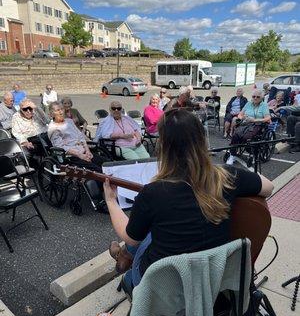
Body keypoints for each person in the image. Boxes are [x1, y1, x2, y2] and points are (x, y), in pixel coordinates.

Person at [104, 109, 274, 288]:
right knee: (153, 228)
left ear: (163, 148)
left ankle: (128, 275)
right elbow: (269, 187)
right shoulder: (226, 176)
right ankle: (124, 257)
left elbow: (131, 238)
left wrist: (111, 201)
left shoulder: (152, 193)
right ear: (202, 141)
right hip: (211, 279)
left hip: (164, 287)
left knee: (147, 234)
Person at [48, 102, 106, 171]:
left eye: (62, 109)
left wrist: (88, 151)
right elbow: (61, 147)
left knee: (107, 163)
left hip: (83, 151)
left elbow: (80, 136)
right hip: (71, 157)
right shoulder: (53, 128)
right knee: (98, 170)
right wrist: (80, 155)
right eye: (58, 110)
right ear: (52, 114)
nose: (61, 112)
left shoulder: (69, 121)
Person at [226, 90, 271, 165]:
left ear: (262, 97)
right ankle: (232, 155)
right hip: (246, 123)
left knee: (247, 137)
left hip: (258, 124)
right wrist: (241, 118)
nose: (255, 98)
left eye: (258, 97)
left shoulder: (264, 105)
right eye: (253, 96)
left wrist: (255, 120)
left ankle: (252, 153)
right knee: (236, 135)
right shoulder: (248, 103)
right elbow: (240, 114)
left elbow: (267, 118)